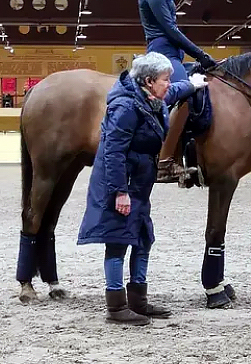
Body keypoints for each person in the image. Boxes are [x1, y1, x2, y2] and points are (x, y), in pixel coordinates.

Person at [77, 52, 208, 325]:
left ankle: (138, 299)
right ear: (148, 81)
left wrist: (193, 84)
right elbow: (113, 152)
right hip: (120, 183)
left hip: (138, 183)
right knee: (118, 241)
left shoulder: (152, 98)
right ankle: (115, 307)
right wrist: (119, 192)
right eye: (164, 79)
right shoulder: (125, 107)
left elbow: (172, 92)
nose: (168, 84)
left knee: (142, 238)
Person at [138, 0, 216, 183]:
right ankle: (164, 162)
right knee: (185, 92)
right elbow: (171, 30)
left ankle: (190, 152)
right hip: (163, 53)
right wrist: (201, 54)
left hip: (171, 53)